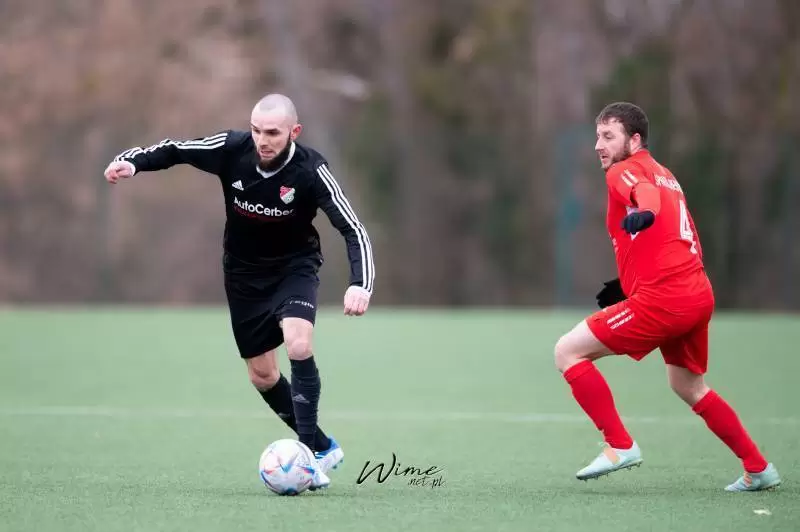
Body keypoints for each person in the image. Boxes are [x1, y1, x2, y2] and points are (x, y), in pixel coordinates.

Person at [103, 94, 375, 490]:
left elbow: (353, 229)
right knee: (263, 375)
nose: (262, 140)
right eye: (256, 130)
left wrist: (360, 284)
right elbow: (177, 149)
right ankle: (323, 446)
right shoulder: (232, 148)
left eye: (273, 132)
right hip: (243, 276)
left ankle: (308, 455)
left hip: (294, 268)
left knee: (298, 343)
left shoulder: (311, 170)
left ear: (294, 132)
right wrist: (133, 162)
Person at [553, 102, 780, 492]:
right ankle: (758, 467)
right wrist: (628, 282)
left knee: (567, 351)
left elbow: (644, 198)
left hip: (665, 300)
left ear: (634, 140)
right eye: (597, 136)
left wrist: (645, 212)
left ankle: (619, 445)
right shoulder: (666, 175)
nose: (598, 145)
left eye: (608, 136)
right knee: (688, 386)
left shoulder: (624, 171)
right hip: (696, 293)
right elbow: (676, 237)